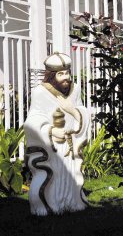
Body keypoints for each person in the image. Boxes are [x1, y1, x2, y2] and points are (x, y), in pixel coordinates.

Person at [24, 52, 90, 216]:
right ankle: (51, 206)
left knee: (70, 175)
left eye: (67, 72)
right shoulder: (40, 92)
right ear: (51, 75)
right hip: (52, 146)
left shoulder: (75, 90)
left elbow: (81, 111)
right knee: (53, 177)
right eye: (60, 74)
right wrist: (51, 131)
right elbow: (33, 120)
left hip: (70, 143)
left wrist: (72, 111)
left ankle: (72, 203)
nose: (65, 77)